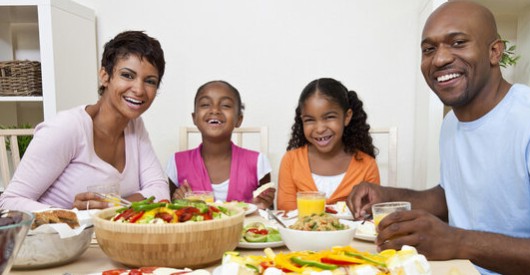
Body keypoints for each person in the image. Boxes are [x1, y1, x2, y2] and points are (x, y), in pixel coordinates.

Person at [347, 1, 530, 274]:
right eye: (429, 49)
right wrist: (386, 196)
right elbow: (454, 194)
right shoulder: (452, 123)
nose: (439, 59)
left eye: (458, 42)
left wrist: (457, 241)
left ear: (495, 52)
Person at [0, 31, 170, 211]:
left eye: (150, 81)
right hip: (54, 237)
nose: (139, 89)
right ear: (105, 76)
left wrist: (110, 205)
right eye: (127, 75)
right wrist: (73, 216)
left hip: (99, 238)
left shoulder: (135, 126)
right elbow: (9, 201)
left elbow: (160, 191)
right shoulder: (66, 128)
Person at [165, 80, 275, 209]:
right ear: (194, 117)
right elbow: (171, 212)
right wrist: (177, 202)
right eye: (205, 104)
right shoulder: (177, 163)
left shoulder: (258, 163)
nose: (215, 110)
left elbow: (269, 212)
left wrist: (263, 206)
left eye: (226, 105)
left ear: (239, 119)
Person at [277, 78, 380, 211]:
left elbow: (368, 216)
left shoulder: (367, 165)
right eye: (309, 120)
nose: (319, 129)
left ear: (347, 117)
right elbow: (285, 213)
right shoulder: (291, 161)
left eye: (329, 117)